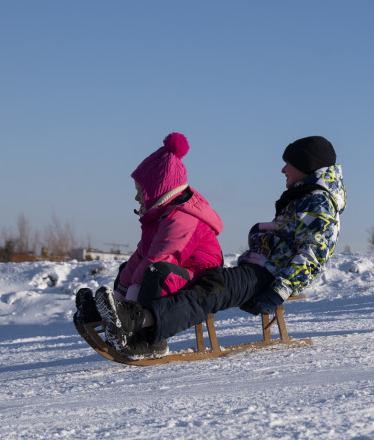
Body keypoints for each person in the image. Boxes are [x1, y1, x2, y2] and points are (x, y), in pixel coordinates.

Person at [80, 135, 346, 360]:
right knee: (209, 285)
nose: (283, 170)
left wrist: (279, 291)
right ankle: (128, 316)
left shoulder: (319, 204)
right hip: (260, 268)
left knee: (212, 291)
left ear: (307, 166)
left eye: (289, 163)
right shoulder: (306, 199)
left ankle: (140, 321)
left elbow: (313, 255)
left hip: (270, 275)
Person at [75, 132, 224, 356]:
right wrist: (120, 295)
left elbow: (163, 257)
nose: (137, 198)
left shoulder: (183, 217)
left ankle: (149, 338)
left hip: (200, 278)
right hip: (178, 271)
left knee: (156, 272)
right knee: (130, 267)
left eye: (140, 192)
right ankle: (109, 313)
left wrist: (131, 302)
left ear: (158, 190)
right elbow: (141, 256)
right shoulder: (160, 216)